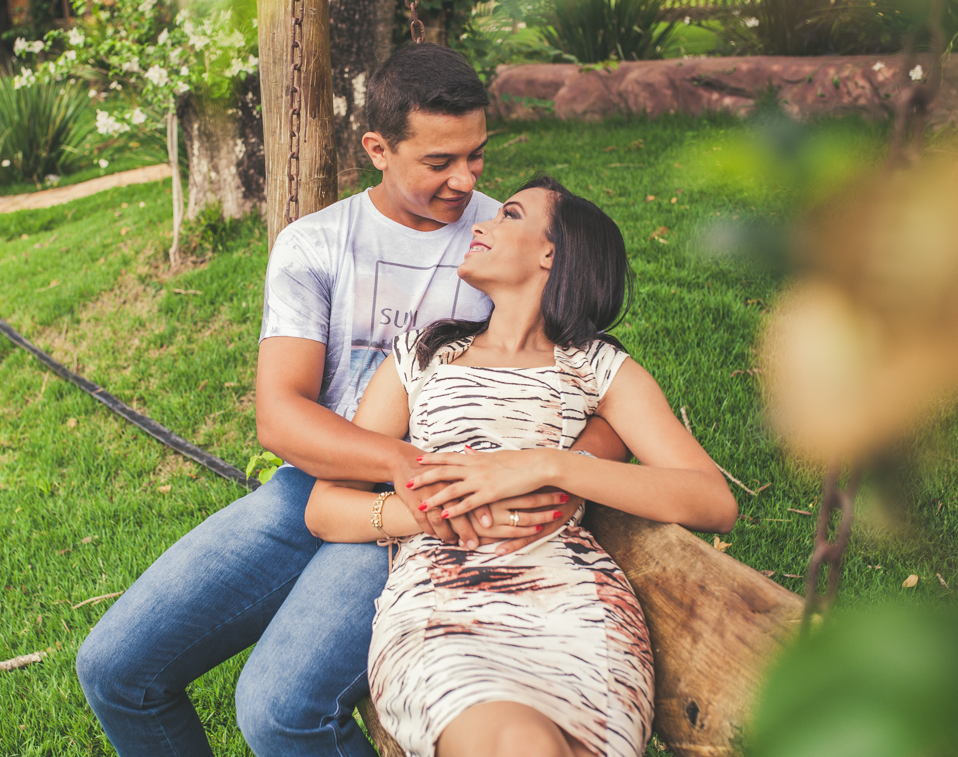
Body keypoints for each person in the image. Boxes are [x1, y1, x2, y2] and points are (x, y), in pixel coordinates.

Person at [75, 43, 627, 757]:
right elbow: (281, 414)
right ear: (377, 148)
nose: (465, 182)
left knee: (279, 711)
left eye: (477, 156)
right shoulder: (317, 245)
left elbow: (599, 385)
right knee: (117, 669)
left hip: (438, 512)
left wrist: (552, 470)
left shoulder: (509, 238)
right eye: (438, 163)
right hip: (320, 484)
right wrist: (400, 460)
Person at [306, 176, 739, 757]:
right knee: (514, 743)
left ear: (550, 253)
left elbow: (714, 501)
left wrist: (548, 466)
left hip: (574, 609)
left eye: (509, 215)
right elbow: (324, 508)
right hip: (443, 607)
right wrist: (441, 515)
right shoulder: (423, 355)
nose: (480, 223)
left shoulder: (597, 368)